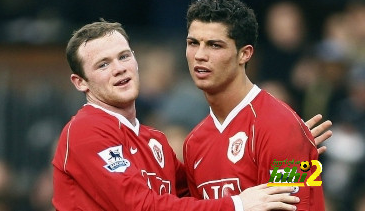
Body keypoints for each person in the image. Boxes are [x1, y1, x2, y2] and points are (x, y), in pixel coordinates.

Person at [52, 20, 331, 210]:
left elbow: (206, 188)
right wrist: (238, 205)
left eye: (124, 57)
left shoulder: (157, 142)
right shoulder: (86, 130)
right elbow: (140, 206)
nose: (119, 69)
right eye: (103, 64)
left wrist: (289, 147)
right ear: (80, 82)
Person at [183, 0, 327, 211]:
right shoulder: (194, 142)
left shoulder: (280, 125)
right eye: (193, 43)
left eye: (215, 45)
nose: (200, 55)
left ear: (245, 54)